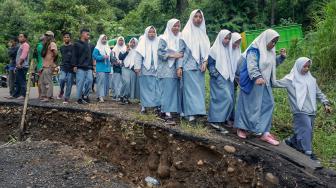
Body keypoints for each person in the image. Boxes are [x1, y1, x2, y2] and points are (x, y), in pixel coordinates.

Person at [234, 29, 286, 145]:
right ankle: (241, 128)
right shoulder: (254, 49)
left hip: (264, 82)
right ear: (266, 39)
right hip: (253, 81)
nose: (274, 44)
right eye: (272, 41)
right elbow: (251, 65)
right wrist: (257, 76)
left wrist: (281, 58)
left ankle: (264, 132)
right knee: (249, 106)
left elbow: (271, 65)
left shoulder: (270, 51)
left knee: (269, 104)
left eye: (275, 42)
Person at [274, 57, 332, 161]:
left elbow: (318, 93)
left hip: (312, 111)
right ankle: (308, 154)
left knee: (307, 132)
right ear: (299, 66)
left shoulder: (311, 80)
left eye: (308, 66)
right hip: (300, 110)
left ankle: (292, 142)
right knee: (306, 130)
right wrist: (266, 74)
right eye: (304, 66)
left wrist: (326, 103)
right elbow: (275, 83)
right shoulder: (290, 80)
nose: (307, 69)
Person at [177, 9, 211, 122]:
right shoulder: (185, 34)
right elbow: (180, 53)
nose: (198, 19)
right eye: (196, 16)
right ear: (192, 18)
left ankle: (196, 112)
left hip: (200, 67)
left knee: (198, 91)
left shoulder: (203, 34)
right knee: (189, 91)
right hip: (188, 66)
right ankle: (189, 114)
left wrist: (205, 62)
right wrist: (179, 67)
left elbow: (206, 52)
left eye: (200, 17)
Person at [207, 29, 233, 133]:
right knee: (224, 98)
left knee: (226, 99)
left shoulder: (227, 49)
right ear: (221, 37)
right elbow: (210, 63)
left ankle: (219, 121)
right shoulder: (214, 49)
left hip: (226, 78)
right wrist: (216, 75)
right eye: (226, 38)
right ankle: (215, 121)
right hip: (218, 77)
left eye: (229, 39)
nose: (227, 41)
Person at [157, 18, 183, 120]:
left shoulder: (180, 38)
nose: (176, 28)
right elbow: (160, 53)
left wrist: (177, 58)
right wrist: (173, 55)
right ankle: (166, 112)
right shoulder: (164, 38)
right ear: (169, 26)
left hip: (175, 68)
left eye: (178, 26)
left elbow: (181, 54)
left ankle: (168, 110)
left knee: (173, 90)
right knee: (166, 90)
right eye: (174, 26)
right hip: (165, 68)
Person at [135, 26, 161, 113]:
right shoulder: (142, 42)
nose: (152, 34)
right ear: (146, 33)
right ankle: (144, 106)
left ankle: (156, 106)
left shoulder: (158, 42)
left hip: (156, 69)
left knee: (156, 88)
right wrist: (137, 67)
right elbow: (138, 56)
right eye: (150, 32)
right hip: (145, 69)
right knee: (145, 88)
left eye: (153, 32)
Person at [72, 28, 94, 104]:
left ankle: (85, 95)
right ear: (82, 34)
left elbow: (91, 56)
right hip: (80, 66)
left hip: (88, 67)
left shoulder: (90, 45)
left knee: (90, 80)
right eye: (86, 33)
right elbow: (74, 55)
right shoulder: (77, 44)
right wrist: (74, 65)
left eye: (89, 33)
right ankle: (79, 99)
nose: (88, 35)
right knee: (80, 83)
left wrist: (93, 66)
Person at [9, 33, 30, 100]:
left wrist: (19, 64)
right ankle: (15, 95)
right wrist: (17, 66)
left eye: (21, 37)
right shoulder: (22, 45)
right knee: (17, 81)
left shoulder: (25, 45)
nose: (19, 38)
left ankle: (23, 95)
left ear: (25, 38)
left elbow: (23, 55)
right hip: (19, 65)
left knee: (22, 81)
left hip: (22, 66)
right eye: (19, 37)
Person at [92, 34, 112, 103]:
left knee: (105, 82)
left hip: (107, 67)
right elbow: (94, 56)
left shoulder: (107, 47)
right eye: (103, 39)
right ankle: (100, 96)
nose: (104, 40)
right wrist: (102, 57)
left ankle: (100, 96)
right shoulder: (97, 47)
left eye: (105, 39)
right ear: (100, 39)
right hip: (100, 67)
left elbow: (110, 57)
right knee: (100, 82)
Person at [119, 37, 139, 103]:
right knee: (126, 82)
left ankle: (126, 97)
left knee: (131, 84)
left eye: (134, 43)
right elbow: (120, 57)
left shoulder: (138, 51)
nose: (132, 44)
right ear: (129, 42)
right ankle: (122, 95)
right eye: (131, 42)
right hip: (125, 68)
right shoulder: (124, 49)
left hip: (133, 69)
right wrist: (127, 52)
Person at [40, 31, 58, 102]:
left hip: (49, 65)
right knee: (42, 81)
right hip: (45, 65)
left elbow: (56, 53)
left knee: (48, 81)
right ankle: (44, 95)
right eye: (46, 35)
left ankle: (49, 96)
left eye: (48, 35)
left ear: (51, 36)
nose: (46, 36)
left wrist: (52, 63)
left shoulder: (52, 43)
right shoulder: (46, 44)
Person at [229, 32, 242, 124]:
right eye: (235, 42)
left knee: (233, 98)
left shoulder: (238, 51)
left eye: (238, 42)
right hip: (227, 78)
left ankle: (232, 117)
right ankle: (226, 117)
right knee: (227, 98)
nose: (237, 44)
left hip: (235, 79)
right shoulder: (227, 50)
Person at [58, 32, 74, 104]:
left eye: (68, 37)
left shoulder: (73, 47)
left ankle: (66, 98)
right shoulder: (61, 47)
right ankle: (61, 91)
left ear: (70, 38)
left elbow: (75, 57)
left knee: (69, 83)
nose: (66, 38)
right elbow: (62, 57)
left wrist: (75, 66)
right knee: (61, 79)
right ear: (63, 38)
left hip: (71, 67)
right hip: (63, 66)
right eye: (65, 37)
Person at [111, 37, 126, 101]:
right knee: (116, 81)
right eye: (119, 40)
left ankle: (121, 95)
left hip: (124, 67)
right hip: (116, 67)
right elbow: (112, 59)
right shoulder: (114, 49)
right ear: (117, 41)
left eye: (122, 40)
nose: (121, 42)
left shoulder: (125, 48)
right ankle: (117, 95)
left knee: (122, 82)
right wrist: (116, 62)